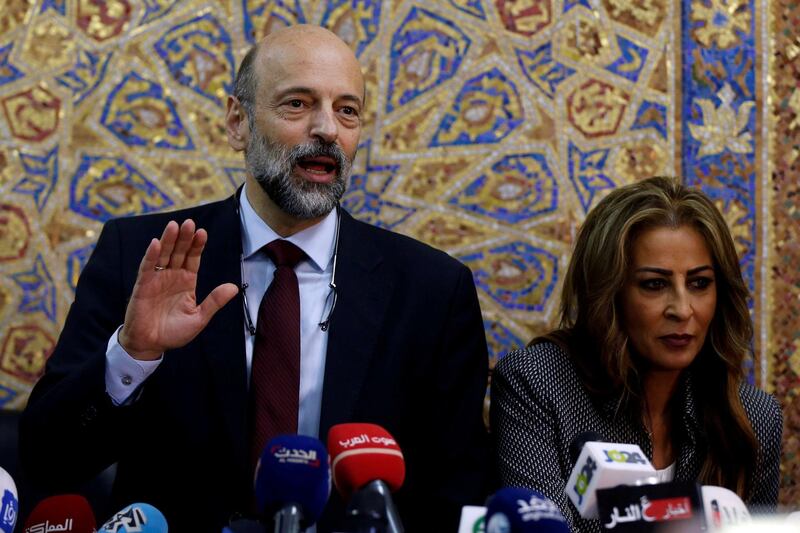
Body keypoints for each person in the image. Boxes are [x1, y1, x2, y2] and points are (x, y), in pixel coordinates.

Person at [20, 25, 490, 531]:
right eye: (298, 104)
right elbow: (50, 462)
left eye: (347, 110)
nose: (328, 129)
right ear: (237, 122)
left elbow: (459, 494)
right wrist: (132, 355)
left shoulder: (432, 291)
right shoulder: (141, 256)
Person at [490, 177, 782, 532]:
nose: (682, 309)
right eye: (654, 284)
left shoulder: (753, 417)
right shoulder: (537, 382)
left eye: (699, 283)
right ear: (608, 294)